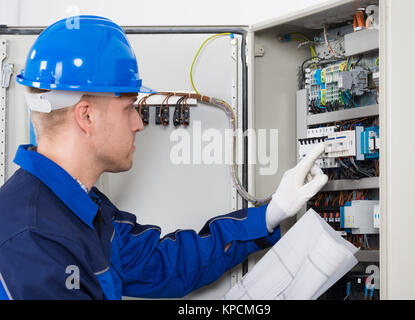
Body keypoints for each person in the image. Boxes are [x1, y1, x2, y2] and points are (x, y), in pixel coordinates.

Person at [0, 15, 327, 300]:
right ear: (86, 116)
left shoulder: (80, 211)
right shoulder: (32, 240)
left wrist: (270, 215)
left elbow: (164, 264)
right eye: (129, 108)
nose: (139, 124)